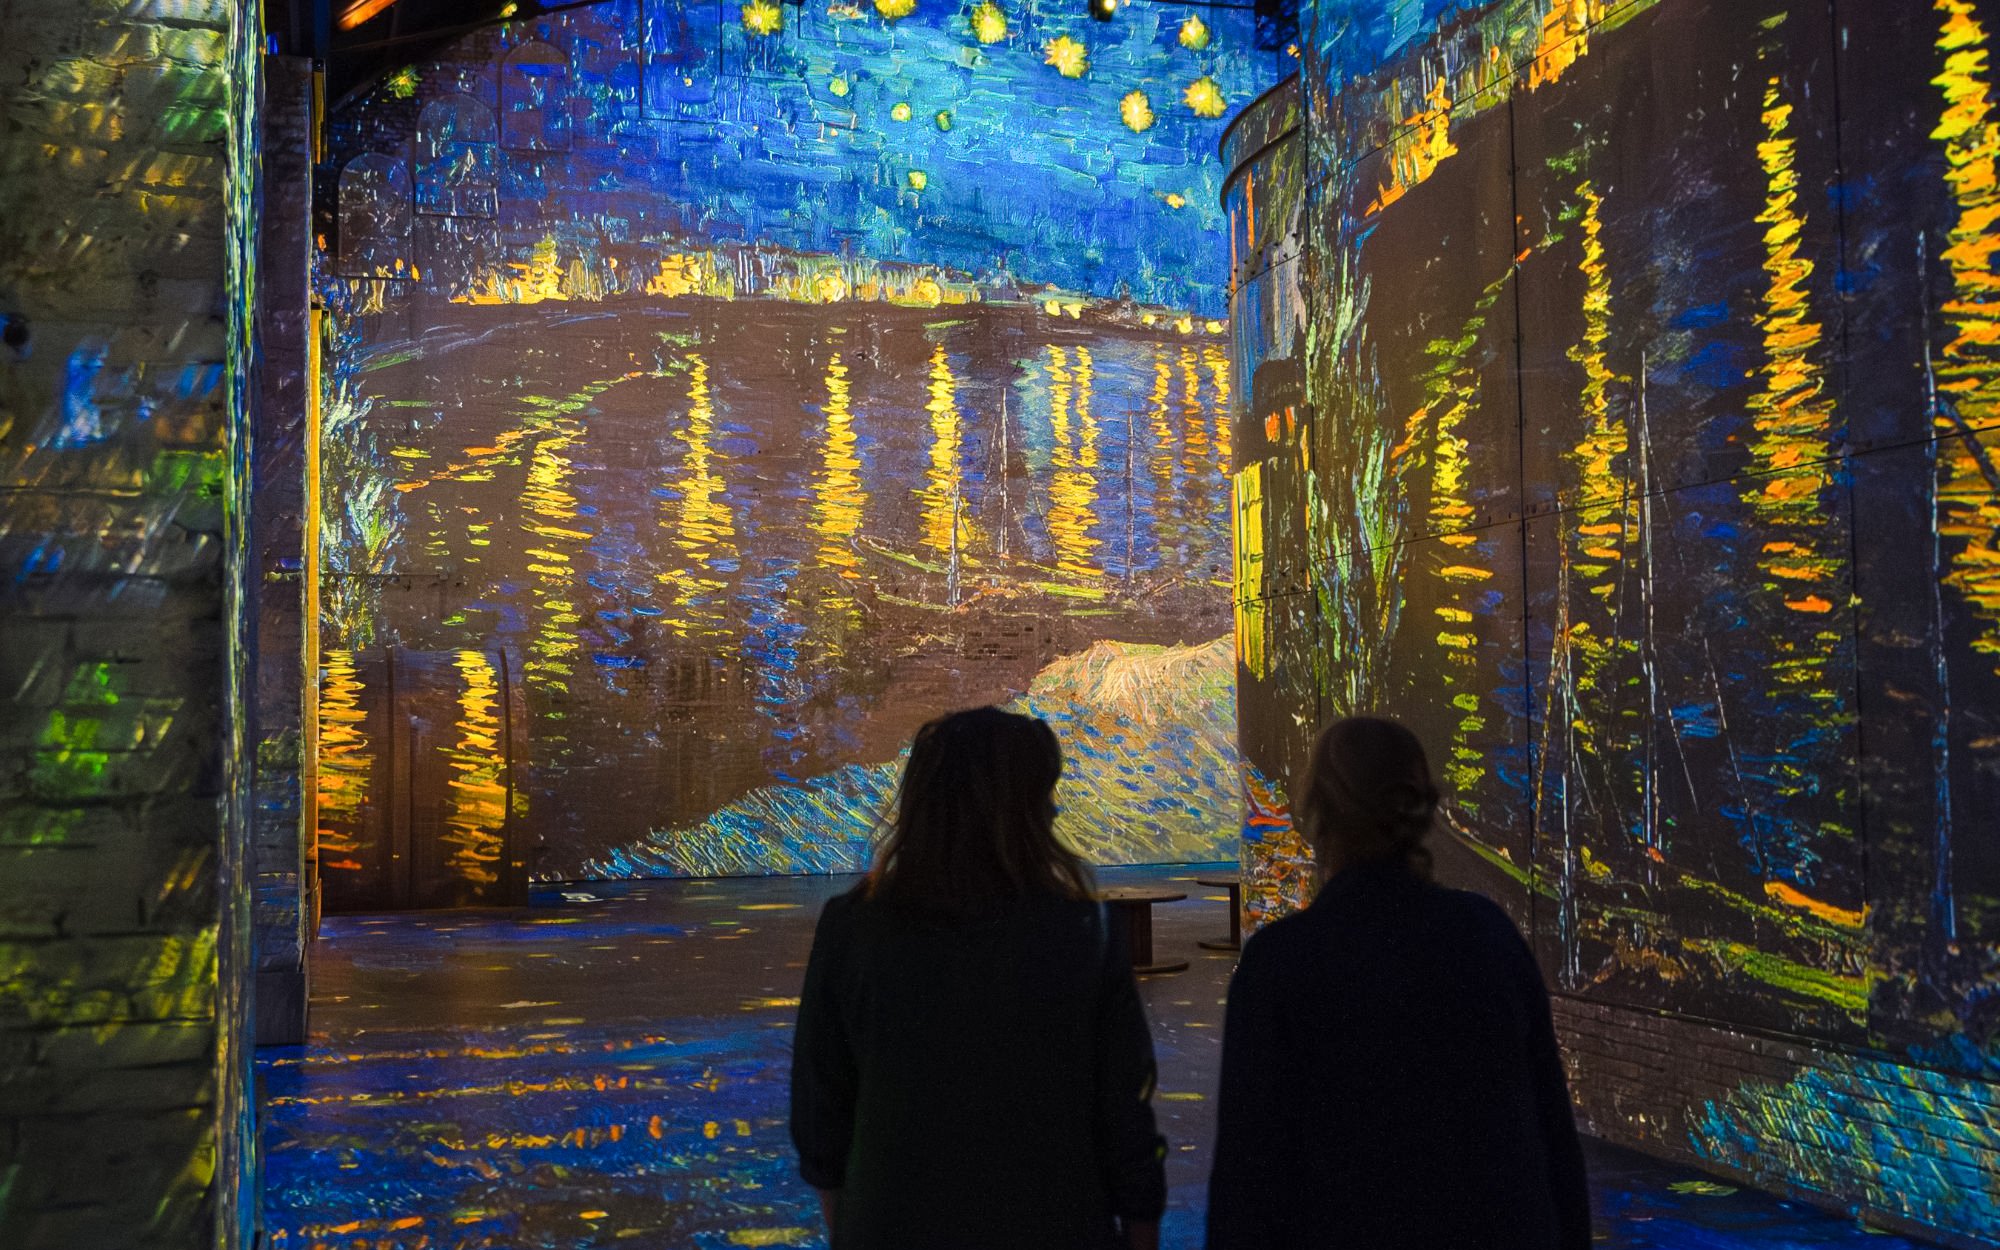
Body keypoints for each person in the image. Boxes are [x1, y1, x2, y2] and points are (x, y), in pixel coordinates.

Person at [1206, 717, 1591, 1250]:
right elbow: (1553, 1140)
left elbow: (1246, 1183)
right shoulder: (1487, 937)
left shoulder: (1280, 965)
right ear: (1420, 808)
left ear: (1318, 815)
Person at [790, 707, 1167, 1249]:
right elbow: (1124, 1115)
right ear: (1020, 810)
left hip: (891, 1223)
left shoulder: (852, 929)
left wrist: (854, 1226)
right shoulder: (1083, 933)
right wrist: (1140, 1227)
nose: (1054, 807)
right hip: (1056, 1225)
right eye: (1044, 793)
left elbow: (820, 1115)